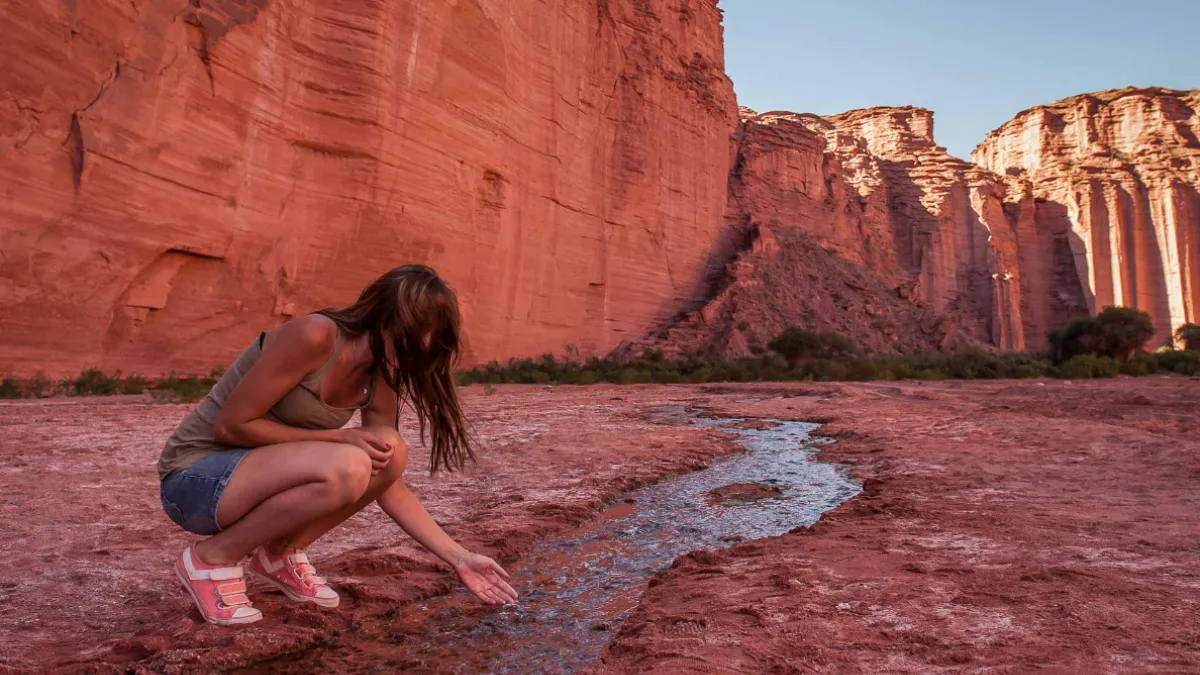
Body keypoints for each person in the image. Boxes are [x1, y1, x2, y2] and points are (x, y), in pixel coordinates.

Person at [156, 264, 518, 625]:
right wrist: (337, 436)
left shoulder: (382, 373)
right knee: (347, 464)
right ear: (387, 318)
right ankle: (210, 558)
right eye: (416, 337)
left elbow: (387, 479)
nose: (420, 352)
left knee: (389, 451)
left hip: (253, 482)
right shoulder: (316, 335)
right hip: (195, 482)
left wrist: (458, 557)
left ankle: (280, 554)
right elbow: (232, 426)